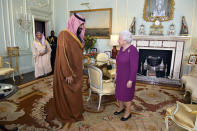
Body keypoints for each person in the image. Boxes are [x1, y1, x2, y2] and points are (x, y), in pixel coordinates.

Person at [47, 13, 85, 124]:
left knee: (76, 92)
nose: (82, 27)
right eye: (80, 24)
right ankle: (68, 113)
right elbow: (62, 55)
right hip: (67, 70)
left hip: (76, 69)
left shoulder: (77, 35)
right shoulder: (64, 34)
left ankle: (76, 110)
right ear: (74, 22)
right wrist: (67, 73)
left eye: (83, 25)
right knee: (68, 93)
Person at [114, 30, 139, 121]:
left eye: (119, 39)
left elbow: (134, 67)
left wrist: (131, 80)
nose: (118, 40)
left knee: (127, 95)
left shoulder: (133, 50)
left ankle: (127, 112)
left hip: (128, 77)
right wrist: (116, 74)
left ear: (125, 41)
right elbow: (119, 63)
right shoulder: (121, 49)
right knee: (119, 92)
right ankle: (121, 108)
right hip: (120, 76)